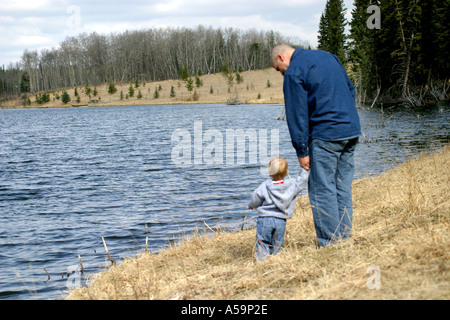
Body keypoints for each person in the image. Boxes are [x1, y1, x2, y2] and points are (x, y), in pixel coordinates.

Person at [271, 45, 361, 247]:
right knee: (341, 186)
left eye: (279, 68)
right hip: (351, 130)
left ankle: (330, 243)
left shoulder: (294, 71)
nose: (281, 73)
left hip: (326, 135)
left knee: (322, 189)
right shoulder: (329, 56)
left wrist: (302, 150)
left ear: (281, 57)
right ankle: (344, 237)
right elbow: (350, 89)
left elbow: (296, 115)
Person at [248, 156, 309, 261]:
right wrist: (304, 168)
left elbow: (256, 198)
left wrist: (252, 205)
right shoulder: (292, 185)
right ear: (287, 172)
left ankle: (262, 261)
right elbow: (302, 180)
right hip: (281, 219)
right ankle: (275, 259)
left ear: (270, 173)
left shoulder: (265, 185)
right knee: (277, 242)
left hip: (265, 219)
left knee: (263, 241)